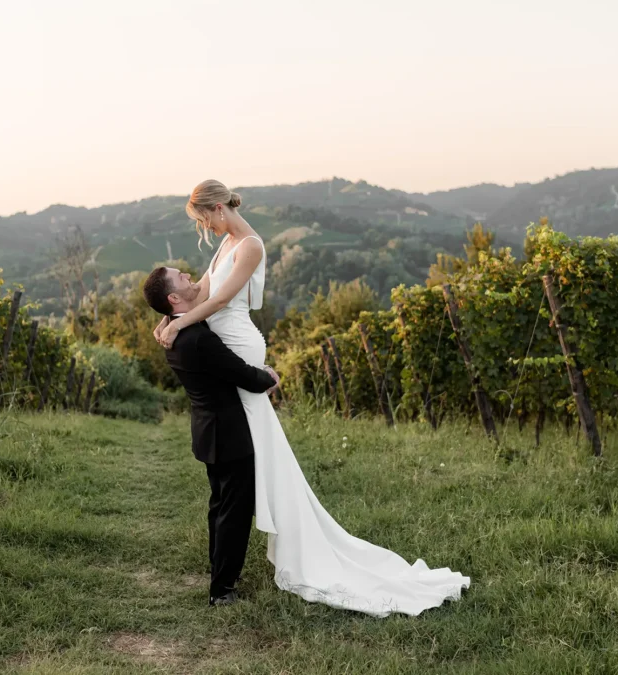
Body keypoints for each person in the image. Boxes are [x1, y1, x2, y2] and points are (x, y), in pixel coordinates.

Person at [151, 179, 470, 617]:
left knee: (244, 455)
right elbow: (202, 292)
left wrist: (180, 325)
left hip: (237, 340)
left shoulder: (250, 247)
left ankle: (241, 560)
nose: (204, 226)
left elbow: (223, 297)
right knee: (245, 458)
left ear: (220, 208)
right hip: (218, 343)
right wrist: (174, 320)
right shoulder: (224, 246)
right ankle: (231, 559)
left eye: (204, 217)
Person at [142, 265, 279, 606]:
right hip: (230, 434)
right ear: (173, 297)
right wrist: (270, 378)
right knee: (234, 510)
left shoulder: (178, 332)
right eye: (182, 278)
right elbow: (242, 375)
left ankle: (219, 570)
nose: (190, 277)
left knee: (219, 506)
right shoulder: (197, 338)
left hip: (209, 431)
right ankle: (223, 590)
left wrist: (166, 320)